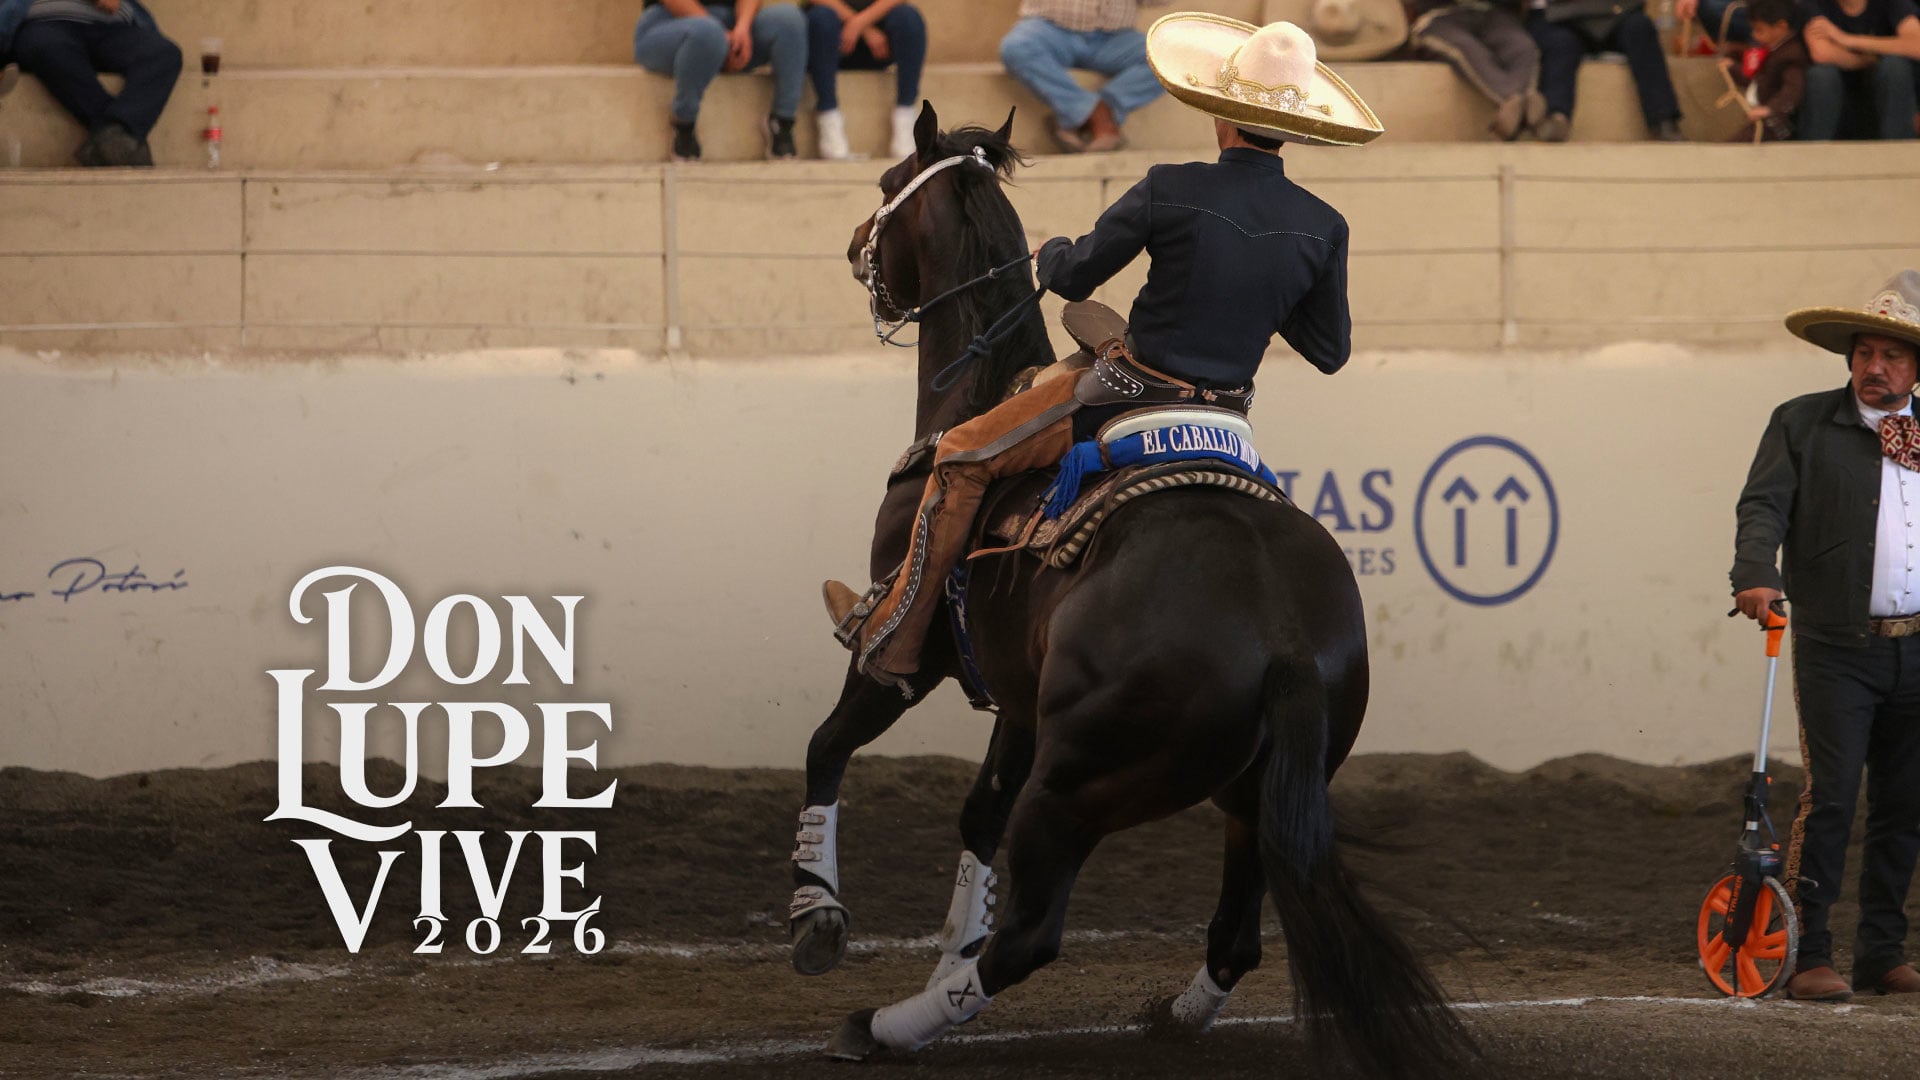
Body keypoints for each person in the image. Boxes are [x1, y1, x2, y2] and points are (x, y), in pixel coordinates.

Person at [826, 17, 1375, 686]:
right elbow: (1330, 350)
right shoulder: (1323, 226)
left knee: (958, 459)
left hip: (1129, 395)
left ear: (1221, 115)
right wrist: (1269, 278)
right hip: (1229, 422)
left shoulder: (1171, 185)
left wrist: (1049, 252)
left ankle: (896, 640)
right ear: (1294, 127)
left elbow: (1074, 277)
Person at [1732, 269, 1920, 1001]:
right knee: (1834, 794)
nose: (1875, 367)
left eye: (1894, 355)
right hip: (1839, 645)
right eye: (1865, 351)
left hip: (1919, 648)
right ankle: (1810, 949)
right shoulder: (1801, 423)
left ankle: (1882, 952)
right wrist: (1755, 573)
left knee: (1907, 801)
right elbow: (1763, 508)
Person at [0, 0, 180, 166]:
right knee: (44, 46)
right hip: (47, 23)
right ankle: (120, 140)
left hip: (113, 27)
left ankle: (115, 138)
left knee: (163, 53)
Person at [634, 0, 808, 162]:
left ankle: (782, 122)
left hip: (730, 22)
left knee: (789, 19)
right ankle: (684, 124)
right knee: (708, 33)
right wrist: (720, 36)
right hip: (668, 24)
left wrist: (742, 29)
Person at [999, 0, 1167, 152]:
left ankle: (1085, 114)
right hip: (1050, 27)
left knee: (1165, 57)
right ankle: (1099, 118)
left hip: (1114, 36)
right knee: (1016, 47)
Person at [1524, 0, 1685, 141]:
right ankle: (1555, 117)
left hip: (1614, 11)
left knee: (1640, 27)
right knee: (1561, 44)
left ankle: (1663, 121)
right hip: (1557, 17)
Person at [1404, 0, 1548, 139]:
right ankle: (1516, 102)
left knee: (1523, 46)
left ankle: (1522, 106)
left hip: (1493, 12)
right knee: (1469, 50)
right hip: (1440, 15)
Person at [803, 1, 926, 160]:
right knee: (821, 17)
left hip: (879, 46)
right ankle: (829, 118)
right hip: (830, 43)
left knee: (909, 17)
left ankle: (905, 116)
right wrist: (860, 26)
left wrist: (860, 23)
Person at [1798, 0, 1919, 140]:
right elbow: (1822, 53)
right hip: (1838, 100)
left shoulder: (1894, 4)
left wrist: (1847, 39)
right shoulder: (1815, 5)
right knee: (1821, 75)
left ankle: (1898, 150)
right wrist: (1870, 60)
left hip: (1887, 100)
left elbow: (1916, 45)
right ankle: (1814, 152)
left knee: (1894, 66)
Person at [1717, 0, 1810, 140]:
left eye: (1759, 30)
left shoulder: (1792, 55)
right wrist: (1732, 66)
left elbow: (1792, 90)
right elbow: (1755, 76)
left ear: (1781, 26)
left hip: (1776, 121)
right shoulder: (1771, 49)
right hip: (1761, 109)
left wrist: (1769, 109)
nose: (1754, 35)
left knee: (1737, 144)